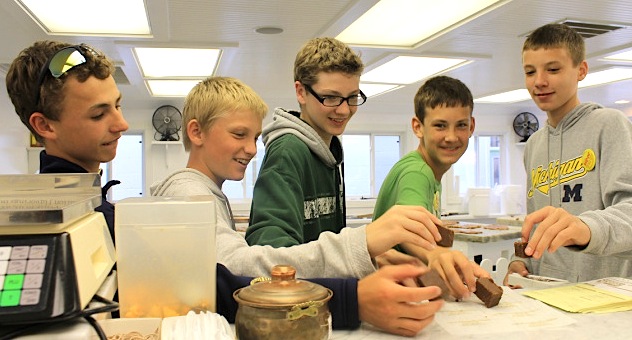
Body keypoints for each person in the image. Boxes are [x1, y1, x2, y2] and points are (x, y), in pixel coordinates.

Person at [151, 76, 444, 336]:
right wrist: (360, 243)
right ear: (196, 132)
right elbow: (236, 271)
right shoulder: (191, 194)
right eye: (239, 135)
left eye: (254, 137)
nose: (252, 149)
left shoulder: (205, 192)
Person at [245, 37, 443, 250]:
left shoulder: (330, 152)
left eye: (352, 97)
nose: (344, 110)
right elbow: (271, 251)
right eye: (331, 98)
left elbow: (331, 243)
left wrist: (372, 257)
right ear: (301, 92)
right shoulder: (288, 152)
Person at [506, 23, 632, 284]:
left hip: (603, 296)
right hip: (546, 295)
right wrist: (522, 260)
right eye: (530, 72)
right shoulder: (534, 144)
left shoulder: (610, 125)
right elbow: (535, 221)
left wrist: (585, 228)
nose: (540, 81)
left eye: (553, 69)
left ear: (581, 71)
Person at [372, 75, 489, 299]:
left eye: (461, 125)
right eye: (440, 126)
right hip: (393, 296)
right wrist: (436, 254)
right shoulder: (418, 172)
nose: (451, 137)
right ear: (418, 127)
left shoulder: (430, 174)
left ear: (472, 126)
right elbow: (407, 229)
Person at [5, 40, 129, 239]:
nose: (122, 124)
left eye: (118, 105)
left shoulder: (95, 205)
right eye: (98, 114)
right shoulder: (66, 226)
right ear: (45, 126)